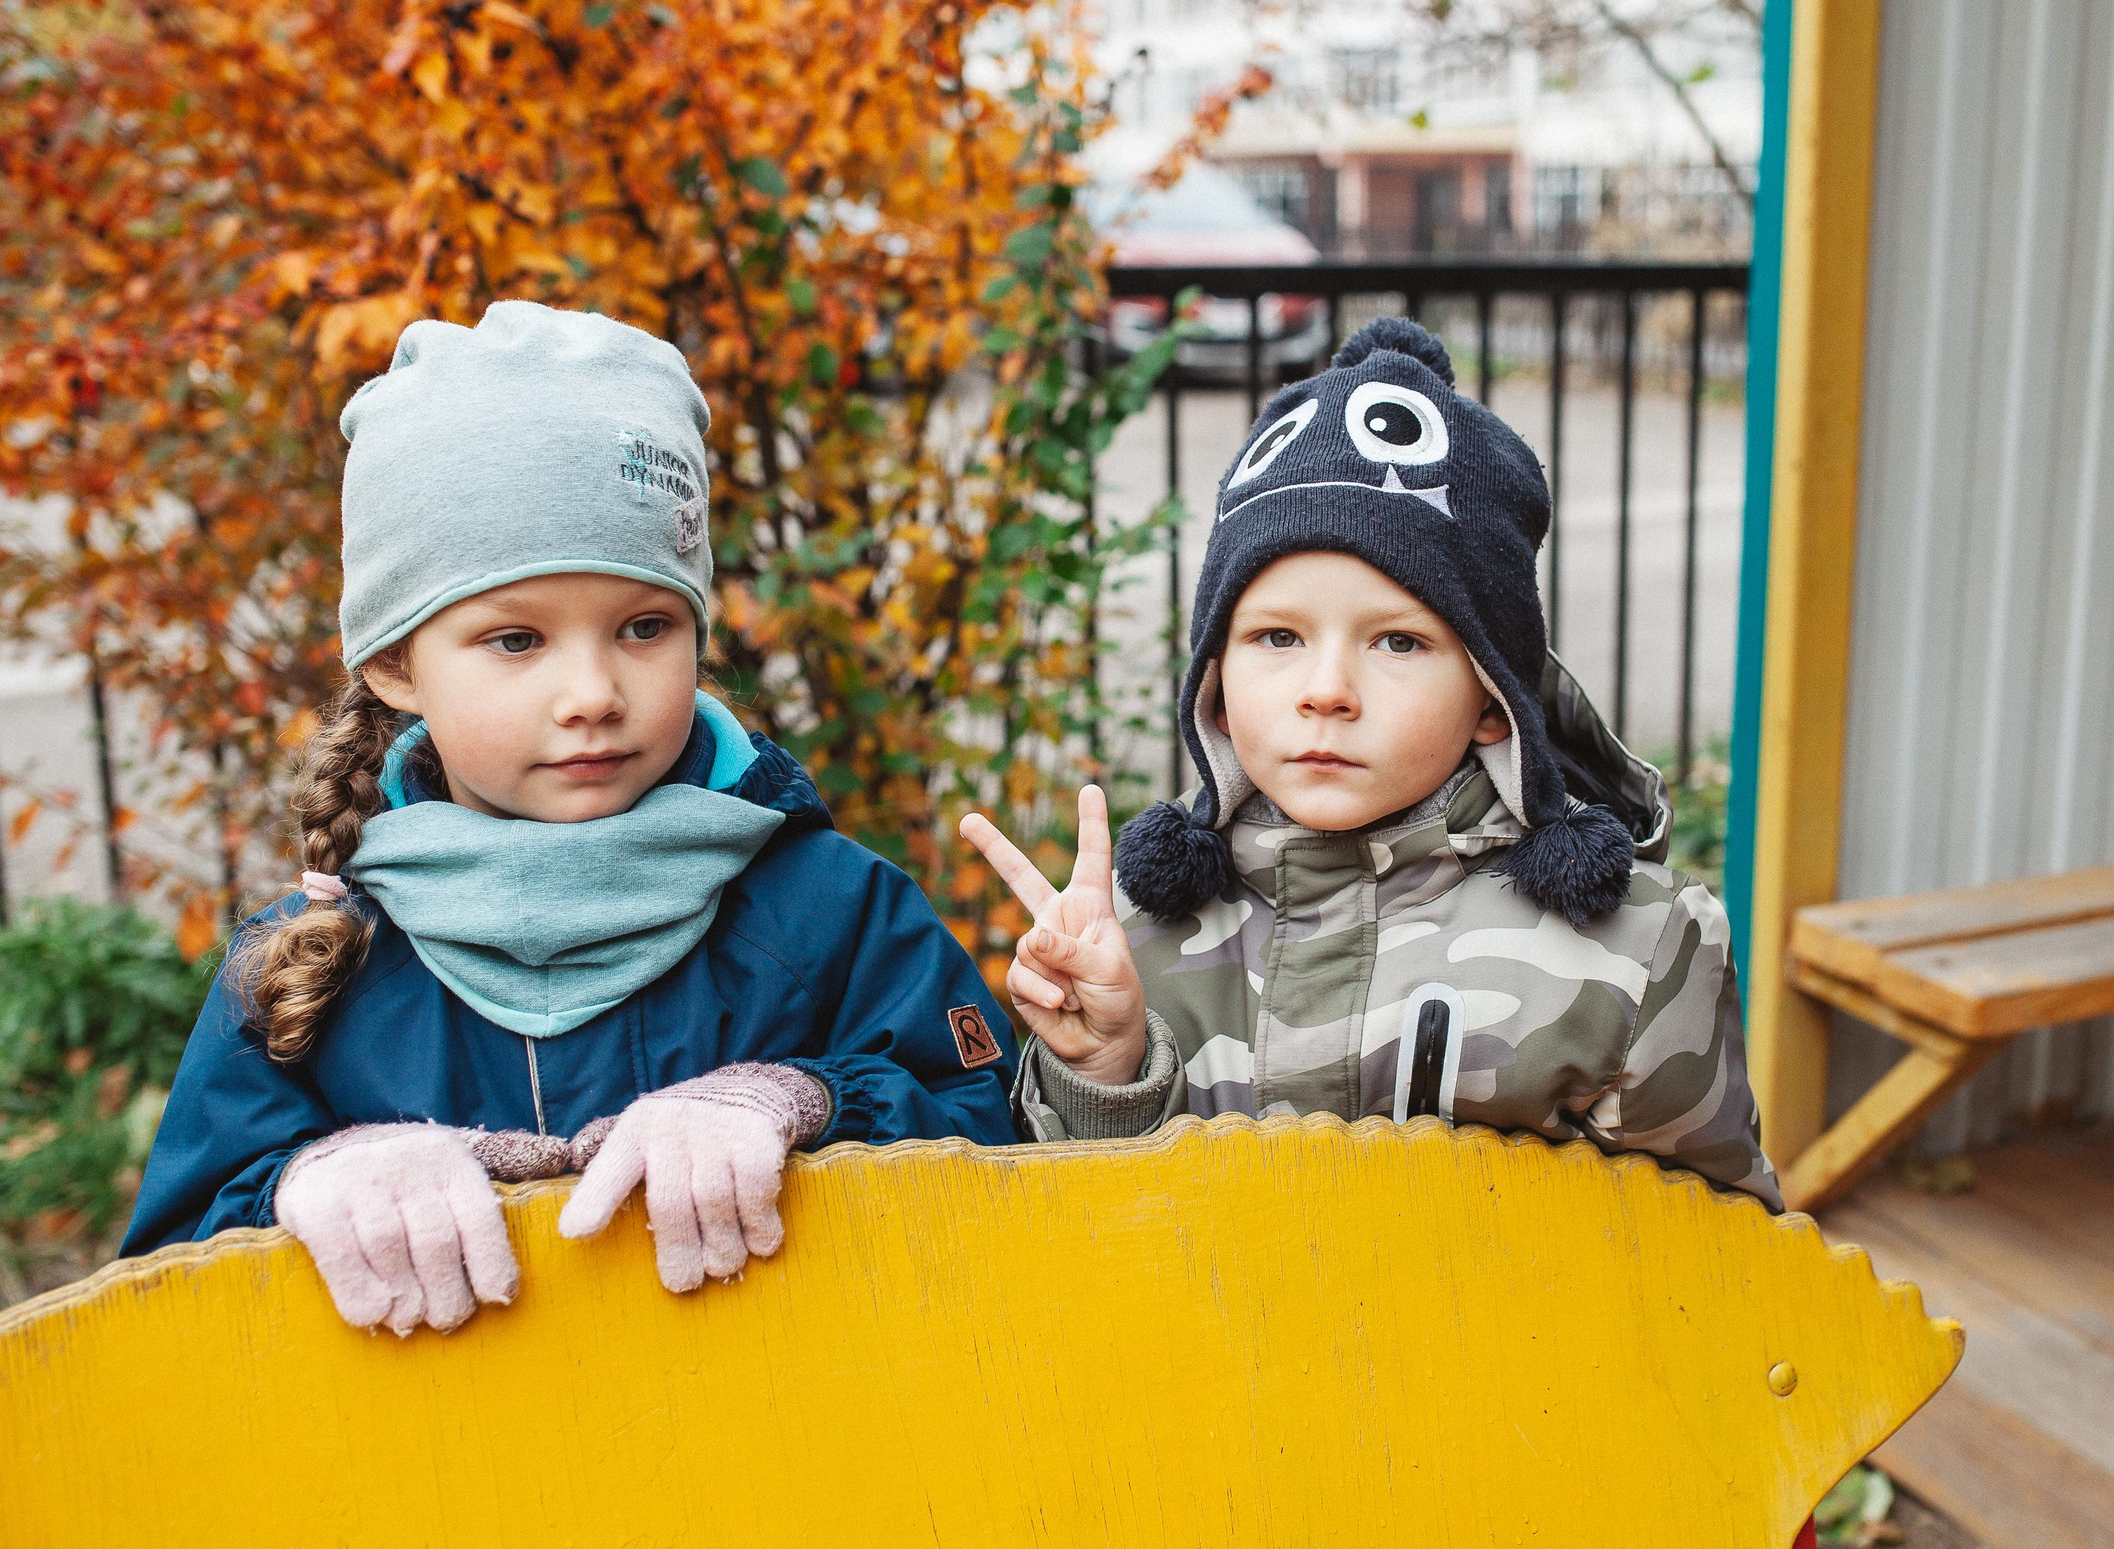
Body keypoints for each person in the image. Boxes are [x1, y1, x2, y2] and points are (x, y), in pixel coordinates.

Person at [123, 302, 1018, 1334]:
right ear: (395, 663)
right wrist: (314, 1180)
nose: (591, 690)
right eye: (515, 638)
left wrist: (806, 1104)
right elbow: (162, 1296)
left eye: (645, 625)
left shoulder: (832, 907)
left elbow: (993, 1148)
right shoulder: (308, 966)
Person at [960, 317, 1777, 1208]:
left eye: (1397, 641)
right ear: (1217, 686)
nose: (1327, 689)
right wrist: (1104, 1068)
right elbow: (1080, 1245)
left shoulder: (1631, 954)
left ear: (1495, 703)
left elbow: (1721, 1264)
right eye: (1276, 635)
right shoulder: (1135, 933)